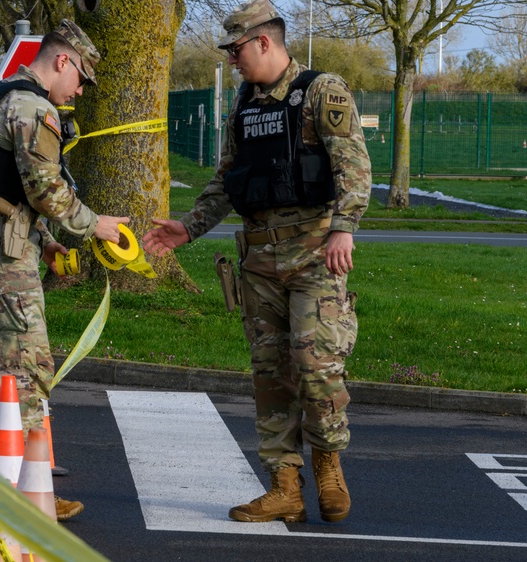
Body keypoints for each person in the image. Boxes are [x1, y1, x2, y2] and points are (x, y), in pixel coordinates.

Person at [142, 0, 371, 524]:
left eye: (236, 50)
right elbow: (227, 178)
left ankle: (328, 460)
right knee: (270, 375)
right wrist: (190, 226)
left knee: (315, 367)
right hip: (259, 259)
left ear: (265, 42)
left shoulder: (321, 90)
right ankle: (284, 486)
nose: (231, 60)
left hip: (315, 254)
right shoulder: (244, 104)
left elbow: (354, 167)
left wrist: (344, 228)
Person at [0, 19, 129, 521]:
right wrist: (96, 227)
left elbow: (10, 190)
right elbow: (45, 190)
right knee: (29, 370)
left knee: (2, 371)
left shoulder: (3, 95)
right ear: (62, 60)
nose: (79, 89)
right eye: (80, 78)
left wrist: (48, 242)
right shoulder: (33, 106)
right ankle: (24, 496)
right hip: (1, 248)